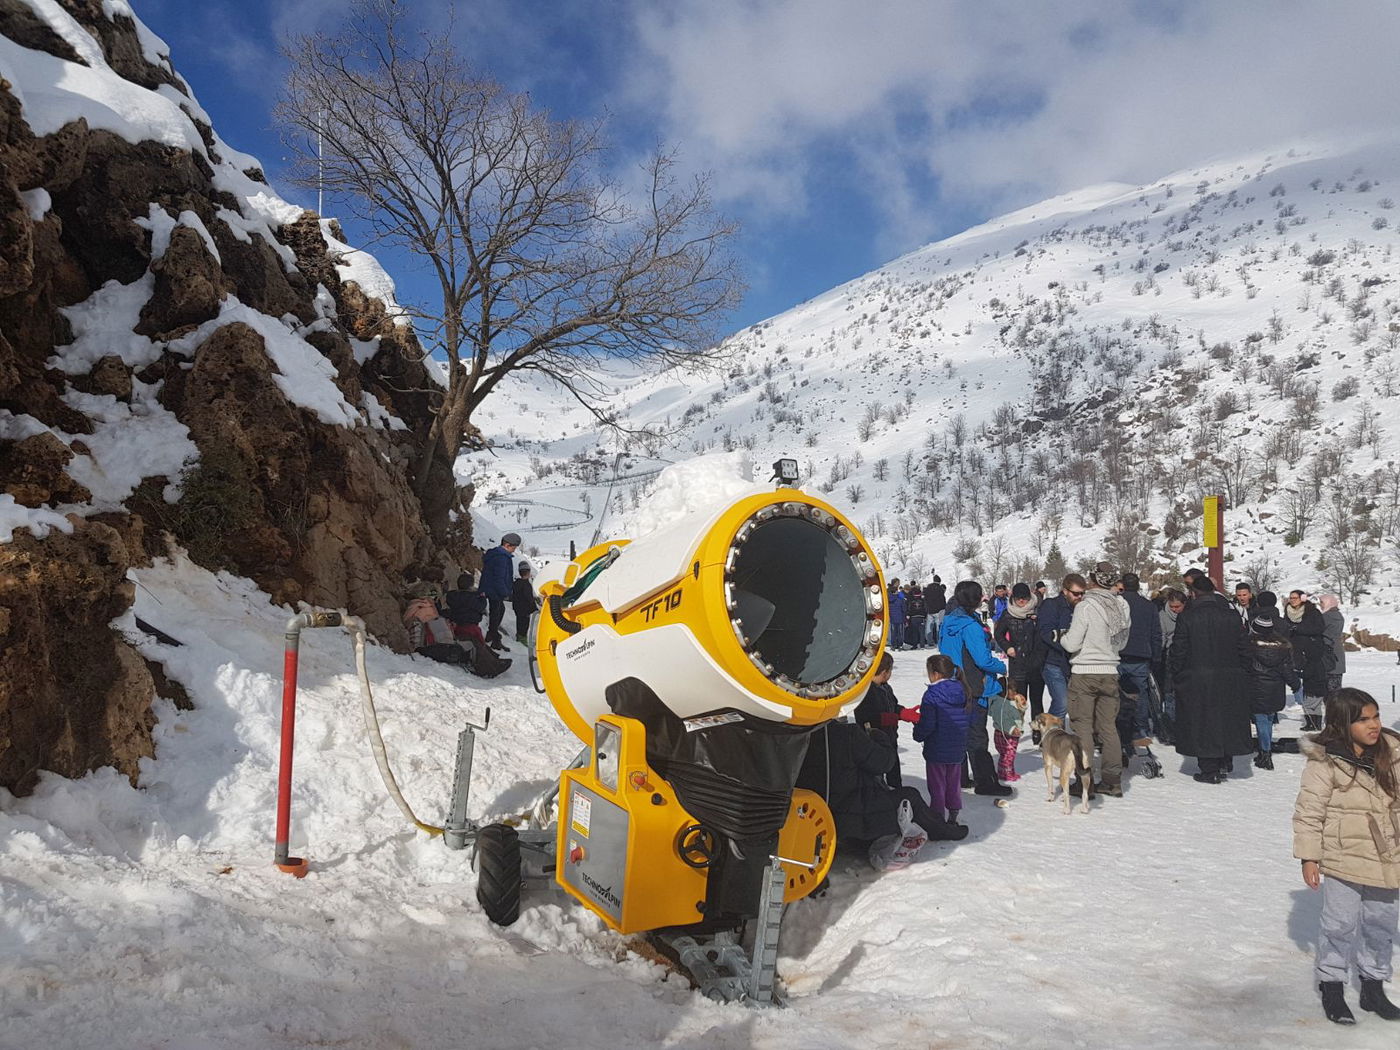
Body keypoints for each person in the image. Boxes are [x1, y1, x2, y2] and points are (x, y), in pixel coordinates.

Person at [1293, 688, 1400, 1025]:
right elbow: (1309, 813)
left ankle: (1372, 986)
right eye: (1363, 719)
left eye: (1376, 716)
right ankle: (1332, 984)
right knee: (1339, 924)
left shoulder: (1392, 753)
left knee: (1380, 923)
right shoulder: (1325, 762)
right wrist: (1309, 857)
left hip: (1388, 855)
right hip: (1343, 856)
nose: (1373, 725)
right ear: (1342, 723)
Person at [794, 715, 967, 868]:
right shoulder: (847, 735)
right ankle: (941, 830)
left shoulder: (794, 735)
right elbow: (884, 762)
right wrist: (880, 739)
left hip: (815, 817)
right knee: (910, 796)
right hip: (854, 816)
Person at [1170, 574, 1251, 783]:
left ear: (1194, 593)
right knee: (1227, 718)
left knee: (1202, 721)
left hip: (1197, 675)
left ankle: (1209, 769)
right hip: (1230, 674)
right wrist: (1244, 670)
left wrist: (1176, 673)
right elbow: (1244, 647)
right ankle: (1226, 759)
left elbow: (1179, 649)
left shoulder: (1187, 617)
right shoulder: (1232, 616)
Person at [1060, 562, 1131, 797]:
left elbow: (1072, 643)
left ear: (1093, 579)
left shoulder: (1086, 606)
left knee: (1082, 727)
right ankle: (1112, 780)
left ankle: (1084, 782)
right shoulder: (1122, 605)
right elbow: (1122, 642)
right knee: (1108, 727)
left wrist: (1061, 638)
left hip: (1085, 671)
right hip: (1110, 670)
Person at [940, 580, 1012, 796]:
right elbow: (982, 659)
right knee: (977, 735)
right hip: (973, 685)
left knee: (958, 731)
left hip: (952, 681)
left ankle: (959, 777)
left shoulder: (949, 621)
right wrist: (1001, 666)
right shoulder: (970, 626)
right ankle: (985, 781)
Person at [911, 654, 973, 823]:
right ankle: (953, 812)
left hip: (937, 748)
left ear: (936, 674)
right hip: (957, 747)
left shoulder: (932, 695)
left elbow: (928, 724)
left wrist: (918, 733)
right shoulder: (963, 689)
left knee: (937, 785)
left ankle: (937, 816)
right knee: (953, 783)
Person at [1117, 572, 1164, 765]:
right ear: (1138, 586)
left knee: (1116, 694)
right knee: (1141, 694)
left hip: (1118, 654)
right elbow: (1156, 632)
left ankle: (1118, 727)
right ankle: (1141, 728)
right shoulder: (1148, 606)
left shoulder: (1116, 605)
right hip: (1141, 655)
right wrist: (1156, 656)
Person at [1245, 613, 1299, 770]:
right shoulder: (1283, 647)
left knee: (1261, 721)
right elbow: (1288, 670)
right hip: (1276, 690)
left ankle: (1265, 754)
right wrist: (1296, 685)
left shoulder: (1249, 646)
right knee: (1267, 720)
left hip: (1256, 689)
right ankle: (1264, 751)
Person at [994, 583, 1047, 742]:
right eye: (1019, 598)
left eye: (1025, 598)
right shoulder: (1008, 614)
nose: (1022, 601)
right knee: (1019, 701)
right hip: (1017, 663)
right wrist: (1008, 647)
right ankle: (1017, 729)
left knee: (1037, 700)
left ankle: (1038, 732)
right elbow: (999, 634)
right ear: (1013, 598)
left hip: (1036, 662)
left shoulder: (1039, 610)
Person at [1037, 574, 1085, 728]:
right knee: (1062, 702)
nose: (1079, 597)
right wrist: (1069, 643)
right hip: (1053, 661)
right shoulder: (1052, 605)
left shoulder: (1082, 608)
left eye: (1082, 593)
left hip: (1074, 663)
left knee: (1077, 704)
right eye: (1076, 593)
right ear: (1065, 591)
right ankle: (1051, 736)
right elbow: (1046, 632)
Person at [854, 652, 903, 788]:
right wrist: (885, 718)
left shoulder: (886, 687)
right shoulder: (865, 690)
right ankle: (876, 789)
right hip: (873, 738)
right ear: (884, 672)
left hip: (890, 736)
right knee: (876, 769)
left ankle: (896, 788)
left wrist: (902, 712)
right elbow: (864, 716)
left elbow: (893, 705)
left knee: (893, 764)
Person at [1286, 590, 1328, 731]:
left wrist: (1298, 628)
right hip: (1296, 652)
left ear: (1302, 599)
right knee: (1304, 688)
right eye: (1290, 598)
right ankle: (1309, 719)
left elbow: (1319, 628)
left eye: (1295, 598)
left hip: (1312, 652)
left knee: (1313, 688)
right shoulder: (1288, 612)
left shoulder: (1312, 612)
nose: (1292, 600)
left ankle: (1314, 720)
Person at [1153, 588, 1186, 745]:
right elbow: (1162, 638)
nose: (1175, 610)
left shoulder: (1188, 616)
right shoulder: (1162, 616)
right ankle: (1170, 728)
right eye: (1172, 607)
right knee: (1170, 693)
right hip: (1170, 655)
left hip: (1187, 656)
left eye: (1177, 607)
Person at [481, 533, 521, 651]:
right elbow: (500, 577)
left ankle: (492, 635)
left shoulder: (496, 554)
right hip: (495, 590)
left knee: (498, 611)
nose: (514, 551)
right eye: (513, 548)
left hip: (491, 588)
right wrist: (505, 592)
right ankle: (494, 639)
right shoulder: (502, 558)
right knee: (496, 613)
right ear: (507, 545)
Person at [989, 690, 1028, 783]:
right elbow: (1003, 719)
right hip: (1007, 734)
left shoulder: (1011, 702)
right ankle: (1006, 774)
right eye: (1012, 691)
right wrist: (1012, 729)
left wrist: (1022, 703)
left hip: (1006, 733)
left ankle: (1007, 772)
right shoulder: (1003, 705)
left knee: (1007, 755)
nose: (1015, 693)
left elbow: (1022, 710)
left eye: (1016, 690)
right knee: (1007, 755)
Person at [444, 571, 488, 643]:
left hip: (456, 626)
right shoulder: (472, 598)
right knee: (479, 645)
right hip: (471, 626)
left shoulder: (453, 596)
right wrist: (482, 597)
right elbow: (481, 607)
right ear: (471, 586)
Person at [1319, 594, 1346, 695]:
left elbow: (1318, 631)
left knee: (1328, 690)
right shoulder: (1339, 616)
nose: (1320, 605)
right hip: (1338, 653)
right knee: (1336, 689)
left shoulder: (1325, 617)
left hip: (1327, 653)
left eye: (1322, 602)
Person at [511, 563, 540, 644]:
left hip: (517, 608)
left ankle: (519, 636)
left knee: (519, 622)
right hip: (525, 609)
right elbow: (529, 598)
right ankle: (522, 639)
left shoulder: (516, 583)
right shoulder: (526, 585)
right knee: (524, 625)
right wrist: (534, 608)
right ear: (528, 572)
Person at [905, 583, 928, 651]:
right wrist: (925, 616)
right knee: (921, 632)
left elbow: (909, 608)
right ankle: (922, 645)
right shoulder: (923, 601)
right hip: (921, 617)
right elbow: (926, 608)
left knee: (914, 632)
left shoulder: (912, 601)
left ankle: (914, 645)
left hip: (914, 617)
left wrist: (908, 615)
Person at [888, 583, 907, 651]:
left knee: (893, 632)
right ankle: (900, 645)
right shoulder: (900, 599)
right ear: (895, 592)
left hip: (892, 618)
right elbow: (904, 609)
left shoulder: (888, 599)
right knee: (900, 633)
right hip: (900, 618)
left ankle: (893, 645)